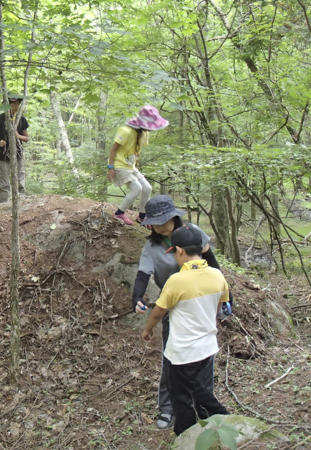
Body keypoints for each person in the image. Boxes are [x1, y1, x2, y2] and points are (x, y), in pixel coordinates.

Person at [133, 195, 232, 430]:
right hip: (172, 304)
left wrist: (224, 299)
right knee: (172, 360)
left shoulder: (192, 233)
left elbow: (212, 262)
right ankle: (169, 409)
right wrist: (136, 297)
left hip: (198, 304)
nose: (160, 226)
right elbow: (143, 275)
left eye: (164, 220)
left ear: (174, 217)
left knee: (202, 360)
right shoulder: (153, 247)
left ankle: (204, 409)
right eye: (155, 222)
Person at [107, 106, 168, 225]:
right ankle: (119, 213)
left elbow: (135, 150)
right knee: (137, 188)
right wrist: (110, 168)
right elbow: (113, 150)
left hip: (131, 166)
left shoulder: (144, 133)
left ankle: (142, 216)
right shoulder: (126, 131)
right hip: (119, 165)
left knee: (147, 188)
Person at [0, 97, 29, 203]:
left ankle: (21, 202)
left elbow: (26, 138)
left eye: (18, 103)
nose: (16, 106)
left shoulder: (21, 119)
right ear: (8, 104)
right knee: (3, 183)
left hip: (18, 154)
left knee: (20, 180)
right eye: (14, 103)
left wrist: (17, 136)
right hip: (2, 155)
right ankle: (2, 205)